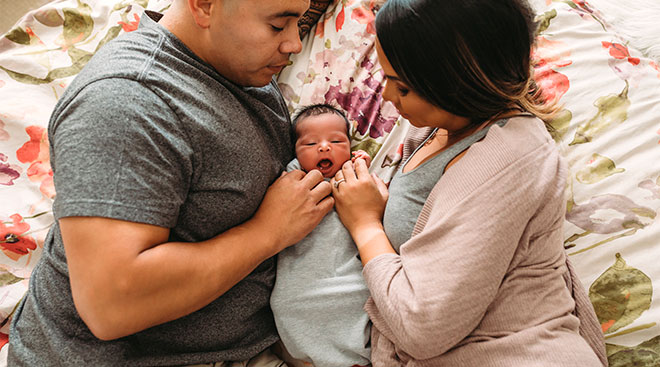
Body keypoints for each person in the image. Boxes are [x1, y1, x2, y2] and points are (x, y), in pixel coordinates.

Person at [8, 0, 336, 365]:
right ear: (205, 6)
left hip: (246, 342)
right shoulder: (128, 105)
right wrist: (268, 232)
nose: (293, 43)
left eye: (299, 23)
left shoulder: (237, 64)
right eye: (278, 26)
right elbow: (111, 306)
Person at [329, 0, 609, 366]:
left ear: (460, 81)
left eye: (403, 87)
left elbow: (422, 328)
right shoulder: (436, 129)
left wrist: (366, 226)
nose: (387, 97)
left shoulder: (513, 155)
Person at [270, 103, 372, 367]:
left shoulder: (353, 175)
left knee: (358, 303)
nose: (324, 147)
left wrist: (362, 168)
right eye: (310, 143)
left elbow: (373, 199)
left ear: (350, 146)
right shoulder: (293, 177)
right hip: (300, 285)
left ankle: (351, 357)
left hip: (347, 279)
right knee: (286, 307)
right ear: (294, 151)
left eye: (336, 141)